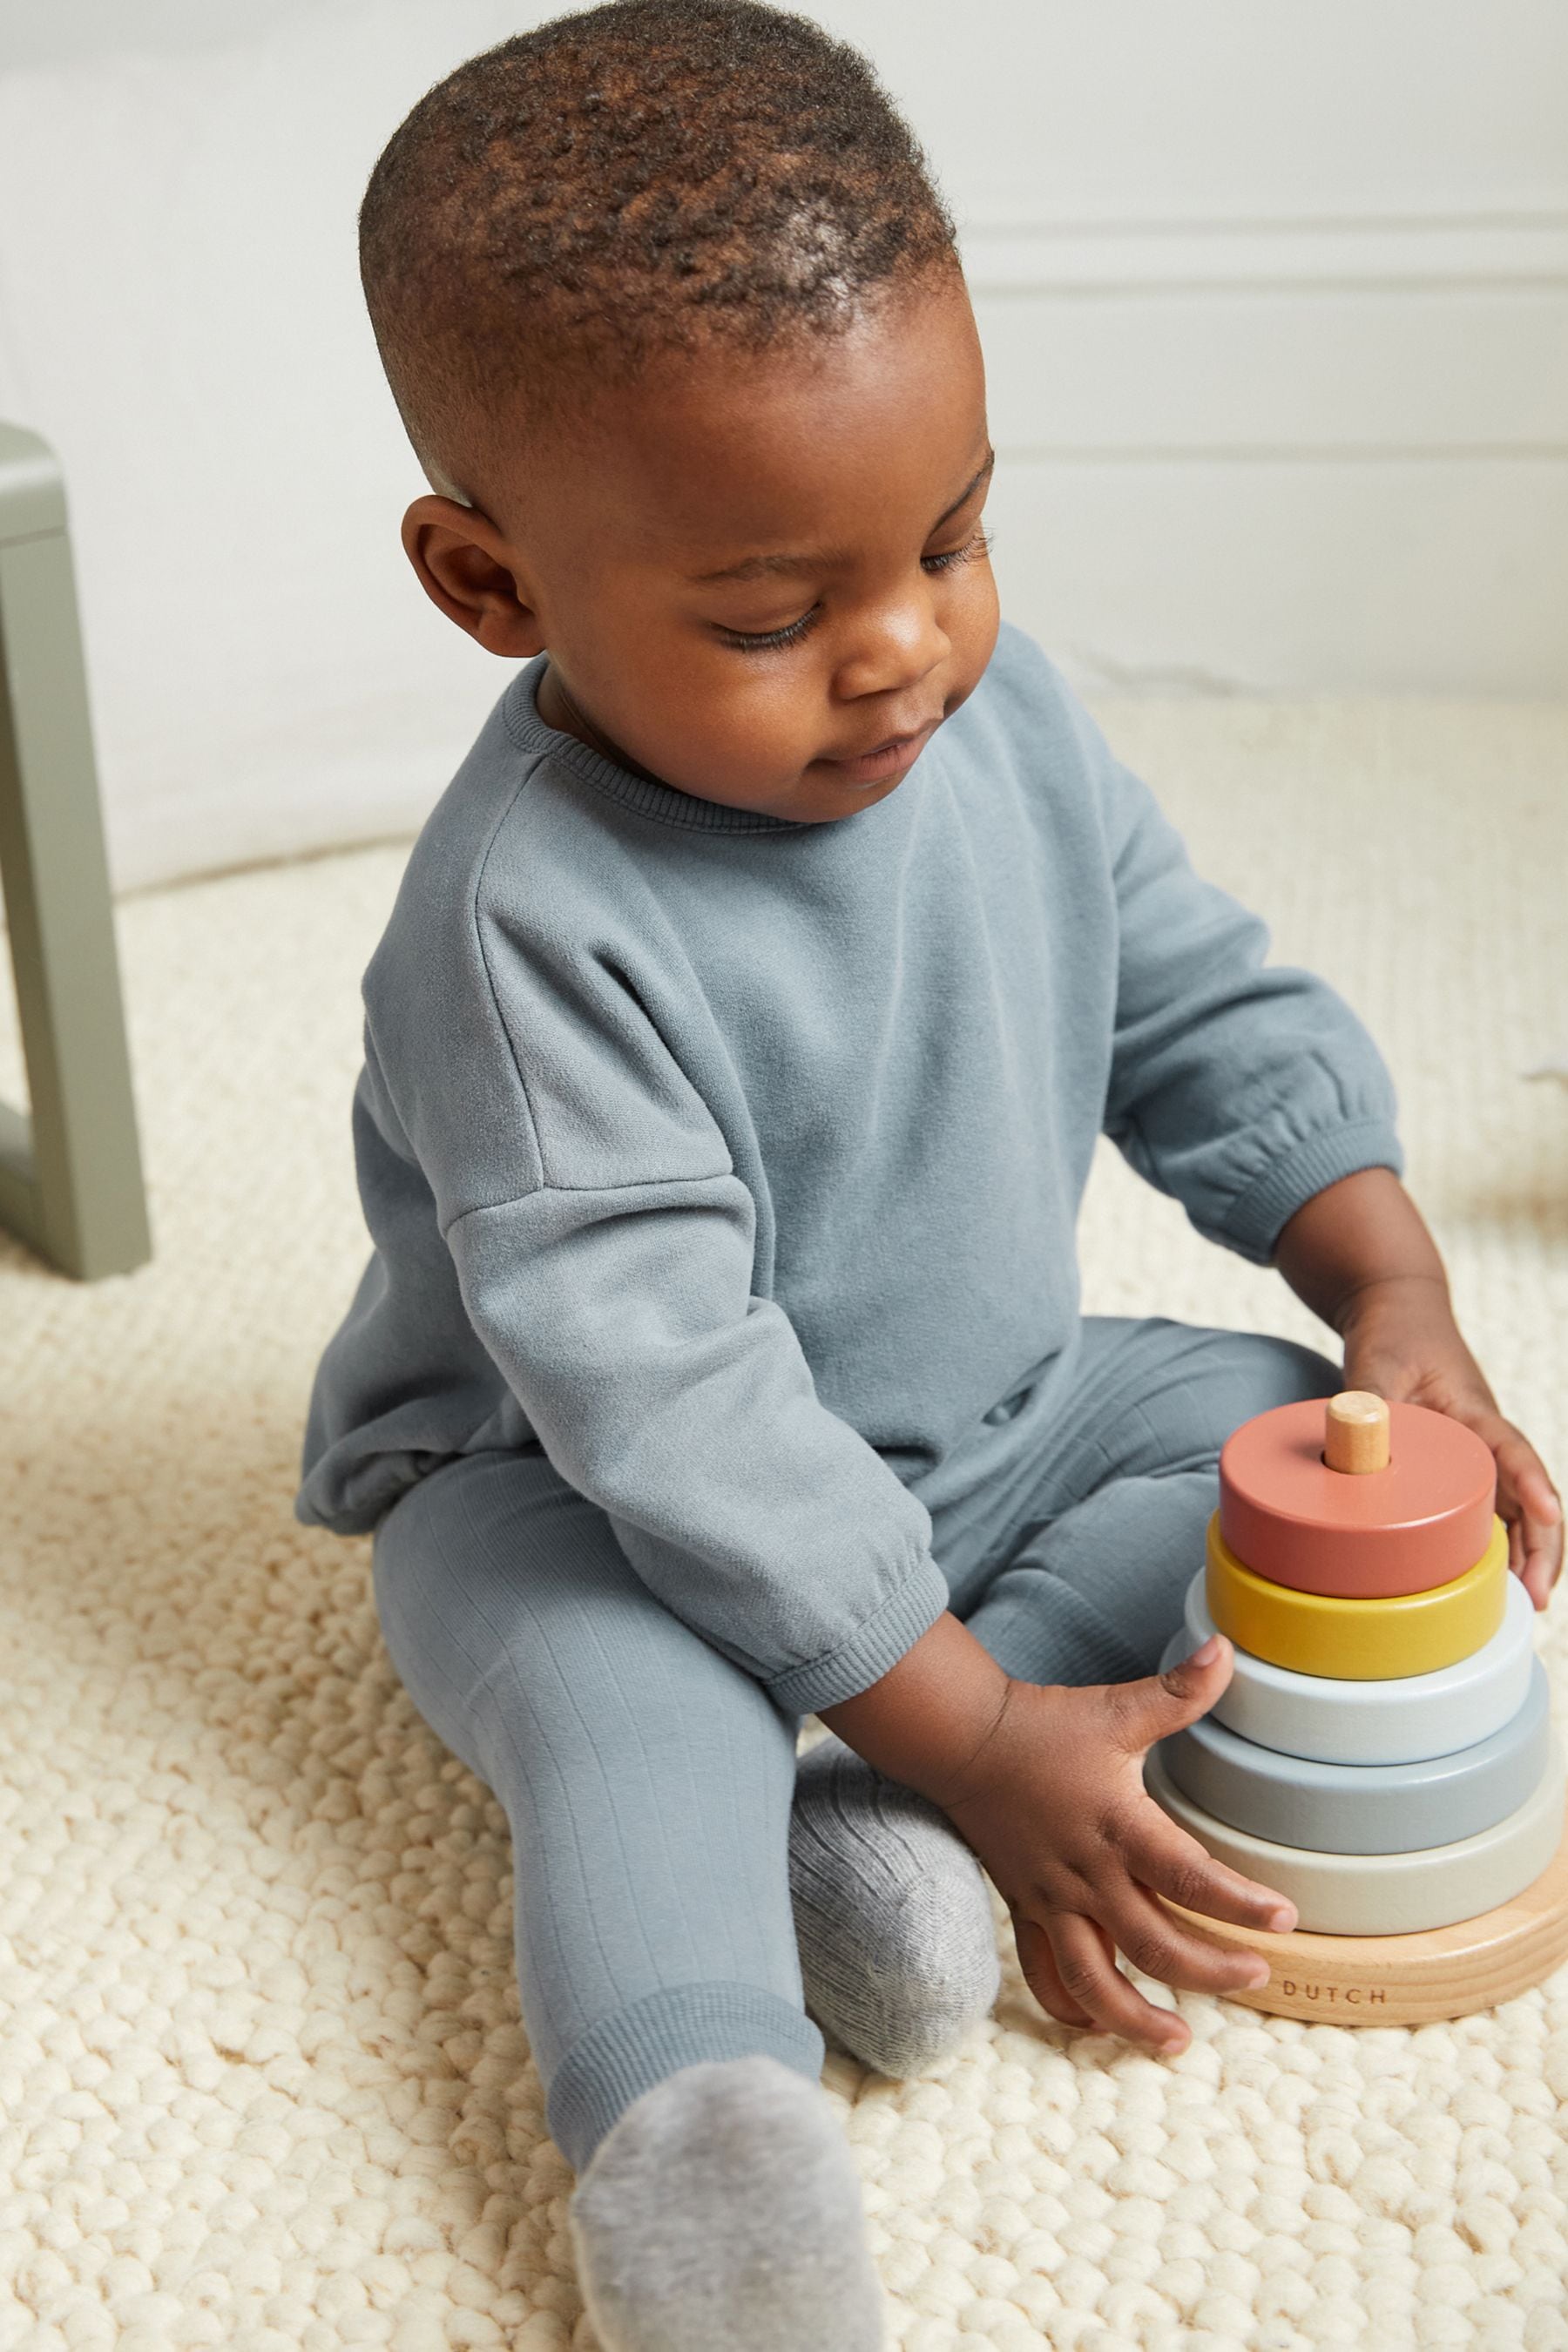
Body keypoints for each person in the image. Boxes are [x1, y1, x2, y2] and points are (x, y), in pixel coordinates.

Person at [294, 4, 1564, 2343]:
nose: (902, 651)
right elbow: (660, 1393)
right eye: (775, 612)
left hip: (986, 1412)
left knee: (1266, 1421)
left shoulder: (1003, 712)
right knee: (628, 1710)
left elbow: (1192, 992)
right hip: (576, 1493)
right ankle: (716, 2160)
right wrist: (973, 1716)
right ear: (494, 585)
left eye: (956, 534)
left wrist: (1390, 1277)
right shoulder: (523, 930)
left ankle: (887, 1798)